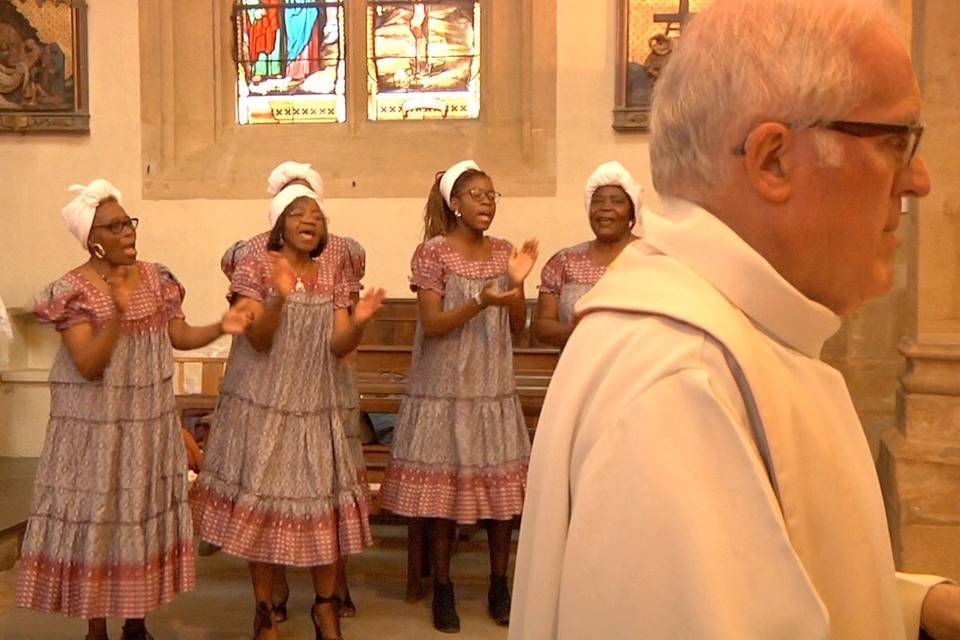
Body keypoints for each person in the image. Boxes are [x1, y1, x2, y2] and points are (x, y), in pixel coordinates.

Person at [510, 0, 960, 638]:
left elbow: (752, 574)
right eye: (896, 140)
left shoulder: (729, 337)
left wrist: (913, 609)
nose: (920, 179)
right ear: (772, 159)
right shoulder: (682, 386)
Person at [16, 179, 250, 640]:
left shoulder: (157, 278)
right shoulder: (72, 290)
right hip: (93, 428)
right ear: (93, 240)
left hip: (146, 421)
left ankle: (137, 622)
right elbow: (88, 364)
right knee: (99, 518)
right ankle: (96, 626)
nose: (128, 232)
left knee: (140, 513)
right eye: (115, 226)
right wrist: (117, 317)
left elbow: (178, 337)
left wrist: (222, 325)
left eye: (129, 222)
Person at [191, 184, 384, 640]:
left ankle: (325, 609)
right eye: (298, 212)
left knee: (322, 507)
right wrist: (278, 297)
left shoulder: (331, 268)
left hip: (316, 407)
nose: (310, 219)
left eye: (317, 213)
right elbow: (258, 339)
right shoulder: (257, 264)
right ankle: (264, 612)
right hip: (266, 406)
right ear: (280, 223)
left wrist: (357, 322)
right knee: (265, 508)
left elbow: (338, 345)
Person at [379, 160, 537, 632]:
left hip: (491, 391)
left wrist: (516, 286)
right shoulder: (434, 253)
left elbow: (518, 329)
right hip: (444, 391)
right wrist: (481, 301)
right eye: (477, 195)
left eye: (492, 195)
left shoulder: (505, 252)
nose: (487, 202)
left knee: (502, 501)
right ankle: (443, 587)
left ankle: (499, 583)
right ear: (455, 203)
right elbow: (433, 324)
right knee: (444, 500)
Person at [533, 161, 642, 348]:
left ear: (632, 213)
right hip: (576, 371)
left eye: (617, 201)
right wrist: (579, 333)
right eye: (598, 200)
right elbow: (542, 326)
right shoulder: (565, 261)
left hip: (637, 370)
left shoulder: (651, 257)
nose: (605, 207)